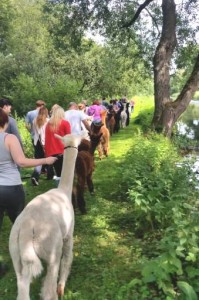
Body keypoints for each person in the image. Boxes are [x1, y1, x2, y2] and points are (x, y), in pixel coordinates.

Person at [0, 108, 57, 231]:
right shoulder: (9, 138)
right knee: (21, 225)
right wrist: (45, 160)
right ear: (5, 121)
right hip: (11, 187)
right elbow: (21, 161)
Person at [45, 106, 71, 179]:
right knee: (66, 172)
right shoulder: (65, 123)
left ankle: (59, 186)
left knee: (58, 173)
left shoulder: (48, 124)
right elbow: (68, 138)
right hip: (63, 151)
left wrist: (47, 153)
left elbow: (47, 139)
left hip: (52, 152)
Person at [31, 106, 49, 186]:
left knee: (39, 160)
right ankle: (49, 175)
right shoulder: (47, 121)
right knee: (49, 159)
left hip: (36, 142)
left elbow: (33, 131)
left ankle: (35, 176)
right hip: (45, 142)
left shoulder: (34, 120)